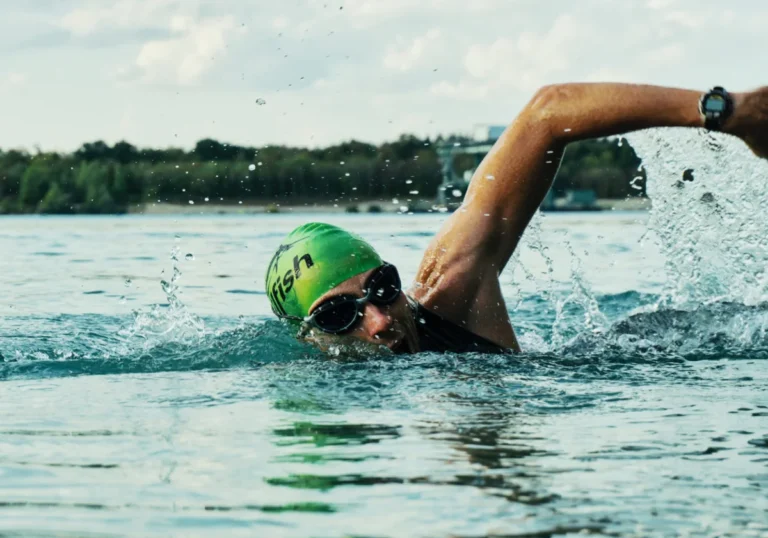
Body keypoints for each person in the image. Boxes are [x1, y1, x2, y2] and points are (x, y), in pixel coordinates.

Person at [265, 83, 768, 354]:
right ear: (309, 338)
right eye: (338, 315)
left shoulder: (449, 296)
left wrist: (726, 111)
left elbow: (547, 113)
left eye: (382, 287)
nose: (377, 321)